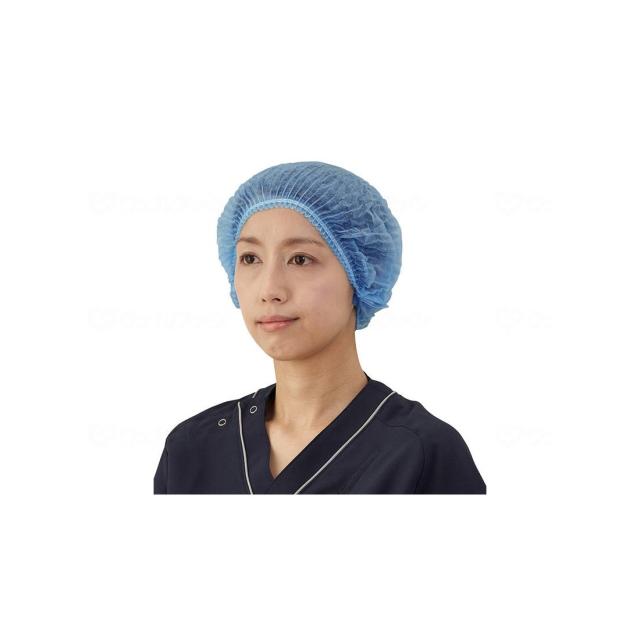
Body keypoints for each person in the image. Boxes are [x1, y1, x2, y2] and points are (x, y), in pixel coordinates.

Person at [153, 161, 486, 494]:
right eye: (250, 258)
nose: (269, 290)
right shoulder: (191, 450)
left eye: (300, 259)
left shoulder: (422, 454)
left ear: (362, 272)